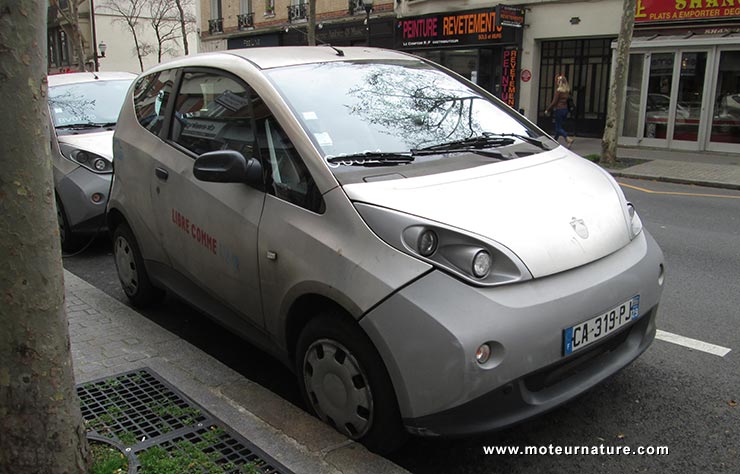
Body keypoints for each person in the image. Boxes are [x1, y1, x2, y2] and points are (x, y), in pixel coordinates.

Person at [545, 74, 574, 148]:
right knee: (559, 126)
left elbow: (554, 102)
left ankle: (568, 138)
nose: (556, 82)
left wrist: (548, 110)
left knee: (558, 128)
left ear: (559, 82)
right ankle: (554, 141)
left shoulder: (558, 91)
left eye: (557, 81)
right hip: (565, 110)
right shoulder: (567, 91)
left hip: (559, 110)